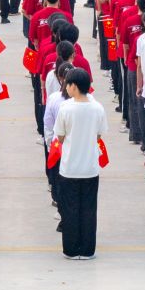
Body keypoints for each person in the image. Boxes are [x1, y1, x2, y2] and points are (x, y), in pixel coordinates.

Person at [50, 67, 107, 259]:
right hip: (90, 167)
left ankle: (71, 249)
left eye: (67, 84)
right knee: (89, 209)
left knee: (70, 209)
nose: (66, 87)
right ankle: (88, 249)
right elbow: (99, 134)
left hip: (69, 167)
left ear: (74, 86)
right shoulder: (97, 108)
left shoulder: (66, 108)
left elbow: (60, 136)